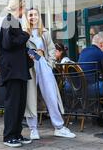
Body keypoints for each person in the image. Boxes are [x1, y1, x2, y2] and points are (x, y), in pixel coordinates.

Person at [25, 8, 76, 140]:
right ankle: (33, 130)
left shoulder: (45, 32)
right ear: (27, 17)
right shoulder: (24, 33)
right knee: (31, 98)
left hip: (43, 65)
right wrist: (31, 54)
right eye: (30, 15)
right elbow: (22, 50)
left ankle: (59, 127)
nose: (33, 17)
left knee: (51, 96)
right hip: (30, 68)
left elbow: (52, 49)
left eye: (35, 14)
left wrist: (50, 64)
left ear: (38, 17)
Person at [0, 0, 33, 147]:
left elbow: (14, 44)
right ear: (19, 7)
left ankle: (16, 134)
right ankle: (9, 136)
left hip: (18, 69)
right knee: (13, 104)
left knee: (19, 104)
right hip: (13, 70)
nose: (24, 10)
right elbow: (8, 43)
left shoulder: (14, 21)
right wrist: (25, 35)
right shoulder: (10, 20)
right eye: (23, 7)